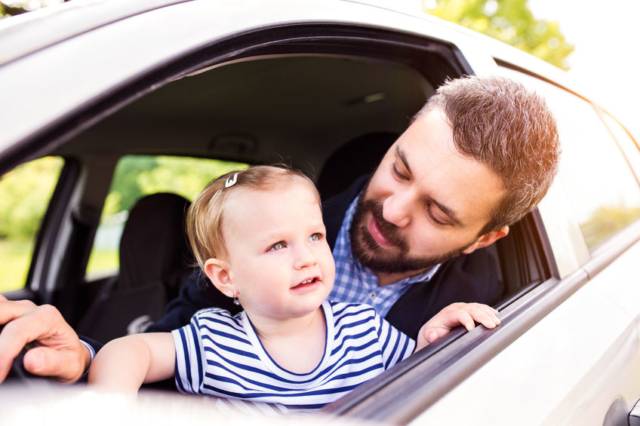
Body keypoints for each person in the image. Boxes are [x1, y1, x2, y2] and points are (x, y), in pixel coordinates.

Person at [0, 75, 560, 384]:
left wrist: (430, 347)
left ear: (484, 238)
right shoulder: (253, 245)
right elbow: (171, 350)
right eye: (399, 168)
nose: (391, 210)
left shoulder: (489, 303)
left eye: (438, 213)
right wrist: (82, 360)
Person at [86, 166, 500, 413]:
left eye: (316, 237)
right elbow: (127, 352)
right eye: (278, 245)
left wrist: (431, 338)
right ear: (226, 278)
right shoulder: (212, 341)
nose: (306, 257)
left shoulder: (363, 329)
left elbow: (421, 370)